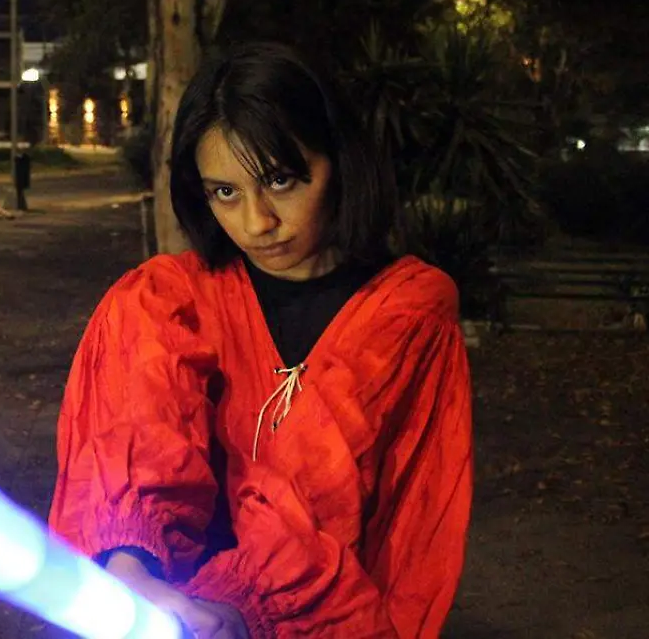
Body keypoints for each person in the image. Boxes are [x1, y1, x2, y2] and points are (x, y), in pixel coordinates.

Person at [48, 43, 473, 639]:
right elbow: (137, 433)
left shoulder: (406, 307)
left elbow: (325, 490)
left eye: (280, 180)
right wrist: (130, 569)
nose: (257, 223)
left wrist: (236, 609)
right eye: (224, 192)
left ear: (340, 161)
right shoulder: (165, 299)